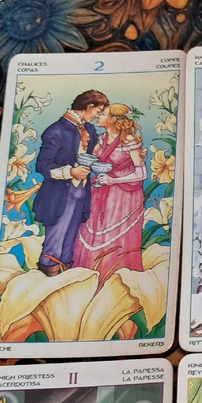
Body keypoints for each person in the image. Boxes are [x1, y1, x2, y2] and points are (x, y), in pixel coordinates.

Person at [32, 90, 109, 276]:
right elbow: (42, 165)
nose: (97, 115)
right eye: (98, 111)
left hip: (81, 193)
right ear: (88, 107)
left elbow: (98, 151)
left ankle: (65, 273)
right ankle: (49, 273)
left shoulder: (89, 130)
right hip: (59, 194)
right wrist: (71, 172)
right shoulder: (56, 131)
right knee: (56, 235)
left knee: (71, 236)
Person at [73, 103, 146, 280]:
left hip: (124, 196)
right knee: (90, 230)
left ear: (113, 119)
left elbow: (142, 174)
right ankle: (87, 277)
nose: (98, 116)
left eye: (103, 114)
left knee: (115, 237)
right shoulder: (103, 138)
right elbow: (92, 158)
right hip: (102, 189)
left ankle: (113, 278)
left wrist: (113, 180)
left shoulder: (129, 140)